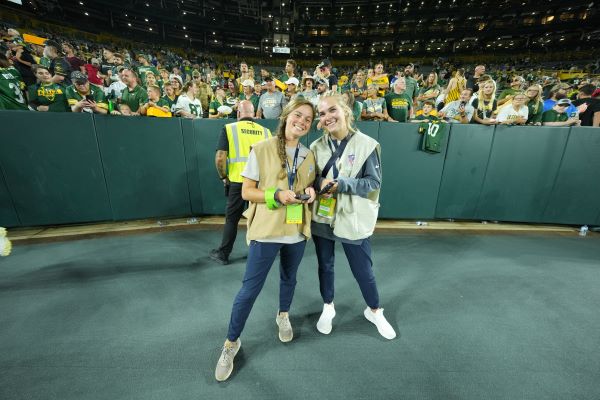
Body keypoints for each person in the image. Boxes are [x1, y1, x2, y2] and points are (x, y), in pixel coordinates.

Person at [214, 98, 317, 382]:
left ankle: (283, 315)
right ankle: (231, 343)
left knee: (289, 279)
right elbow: (247, 192)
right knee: (250, 289)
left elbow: (308, 186)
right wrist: (276, 195)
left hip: (296, 232)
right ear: (286, 116)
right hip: (266, 231)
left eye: (308, 119)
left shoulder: (308, 155)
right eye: (298, 115)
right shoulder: (261, 149)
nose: (302, 122)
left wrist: (311, 194)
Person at [311, 92, 396, 340]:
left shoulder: (366, 144)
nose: (327, 117)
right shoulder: (316, 147)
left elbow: (373, 183)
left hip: (354, 217)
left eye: (332, 110)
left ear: (346, 110)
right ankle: (328, 306)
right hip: (323, 215)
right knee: (325, 265)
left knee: (363, 270)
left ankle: (375, 310)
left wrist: (342, 185)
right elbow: (311, 179)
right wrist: (319, 182)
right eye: (322, 113)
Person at [209, 100, 272, 265]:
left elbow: (220, 157)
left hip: (237, 182)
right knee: (257, 219)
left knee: (232, 219)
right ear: (254, 114)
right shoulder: (265, 132)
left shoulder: (229, 128)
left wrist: (223, 177)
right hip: (259, 184)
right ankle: (258, 254)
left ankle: (223, 254)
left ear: (238, 114)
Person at [0, 46, 29, 110]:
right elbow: (23, 88)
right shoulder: (12, 70)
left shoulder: (4, 72)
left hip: (11, 110)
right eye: (9, 53)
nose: (11, 55)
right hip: (22, 107)